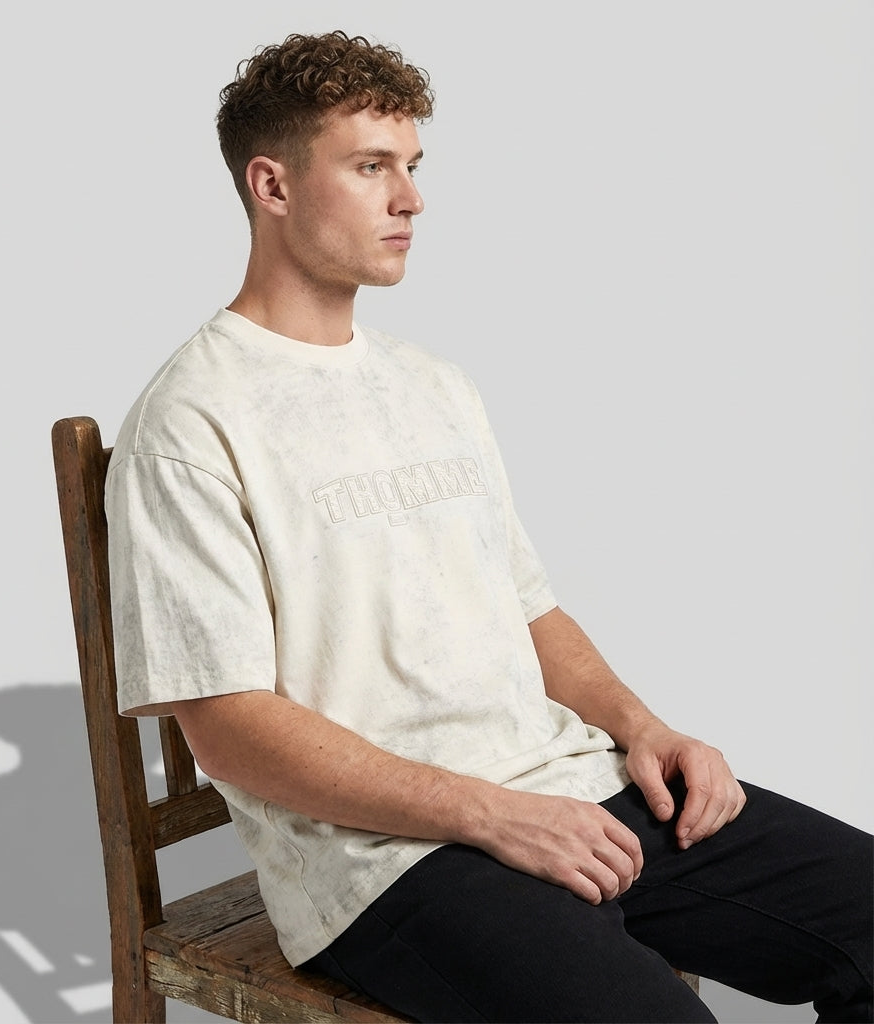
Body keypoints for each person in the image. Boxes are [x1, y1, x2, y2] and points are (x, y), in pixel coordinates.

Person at [104, 30, 873, 1023]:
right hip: (389, 860)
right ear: (273, 184)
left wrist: (644, 728)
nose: (411, 198)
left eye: (413, 165)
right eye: (371, 166)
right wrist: (492, 815)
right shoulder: (191, 421)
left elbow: (528, 610)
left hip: (572, 787)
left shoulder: (434, 385)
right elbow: (230, 731)